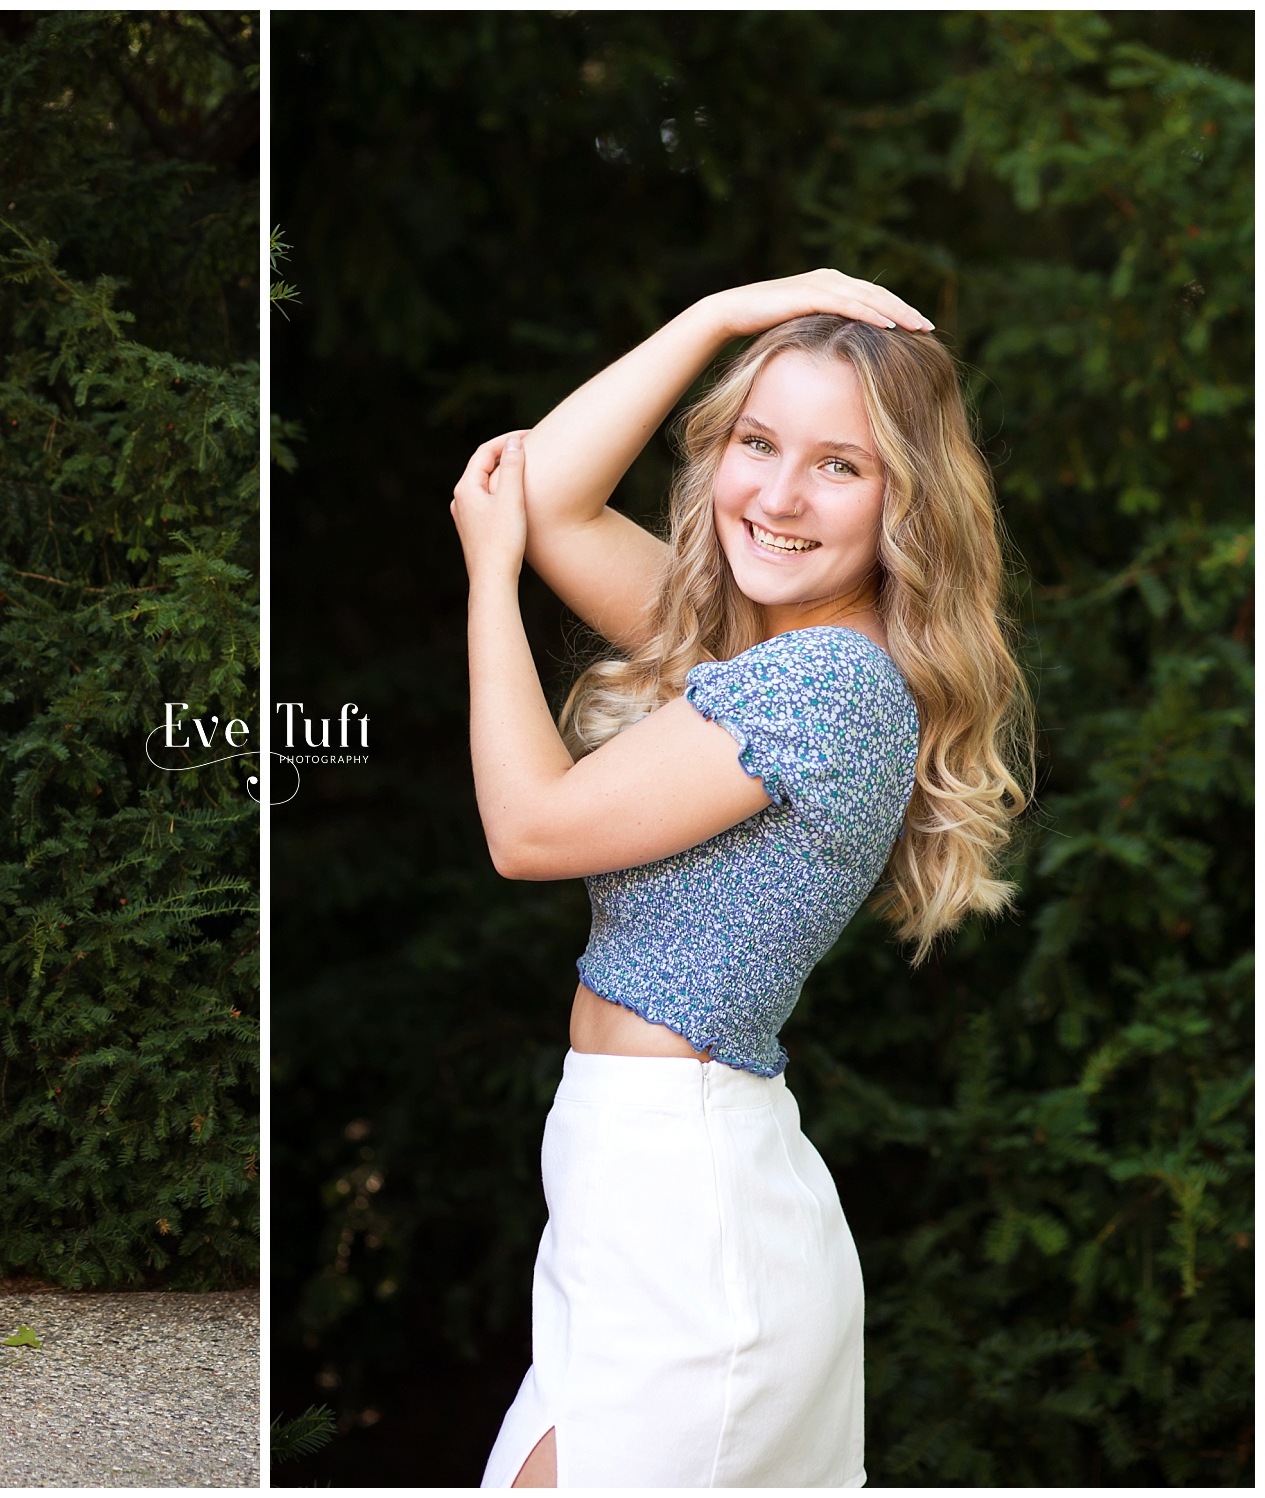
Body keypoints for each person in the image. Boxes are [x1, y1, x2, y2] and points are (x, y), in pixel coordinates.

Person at [448, 270, 1031, 1486]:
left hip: (686, 1206)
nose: (775, 494)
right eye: (755, 442)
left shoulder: (819, 684)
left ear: (902, 502)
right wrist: (725, 313)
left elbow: (527, 829)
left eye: (837, 464)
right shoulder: (760, 649)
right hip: (635, 1186)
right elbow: (547, 493)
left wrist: (487, 582)